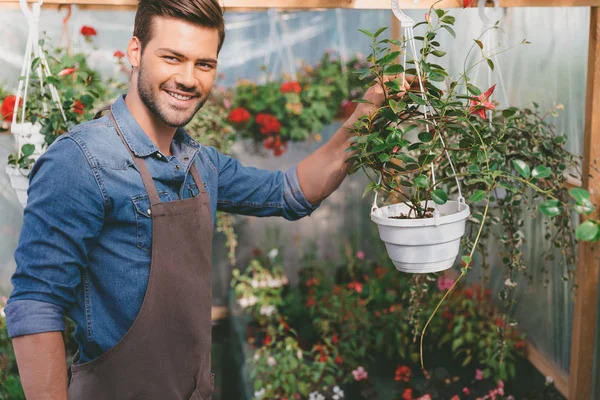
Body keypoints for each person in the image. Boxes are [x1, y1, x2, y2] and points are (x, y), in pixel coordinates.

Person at [5, 0, 410, 399]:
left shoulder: (200, 164)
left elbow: (289, 192)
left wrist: (367, 115)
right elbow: (37, 304)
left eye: (204, 64)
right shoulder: (82, 159)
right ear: (135, 51)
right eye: (172, 57)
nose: (187, 78)